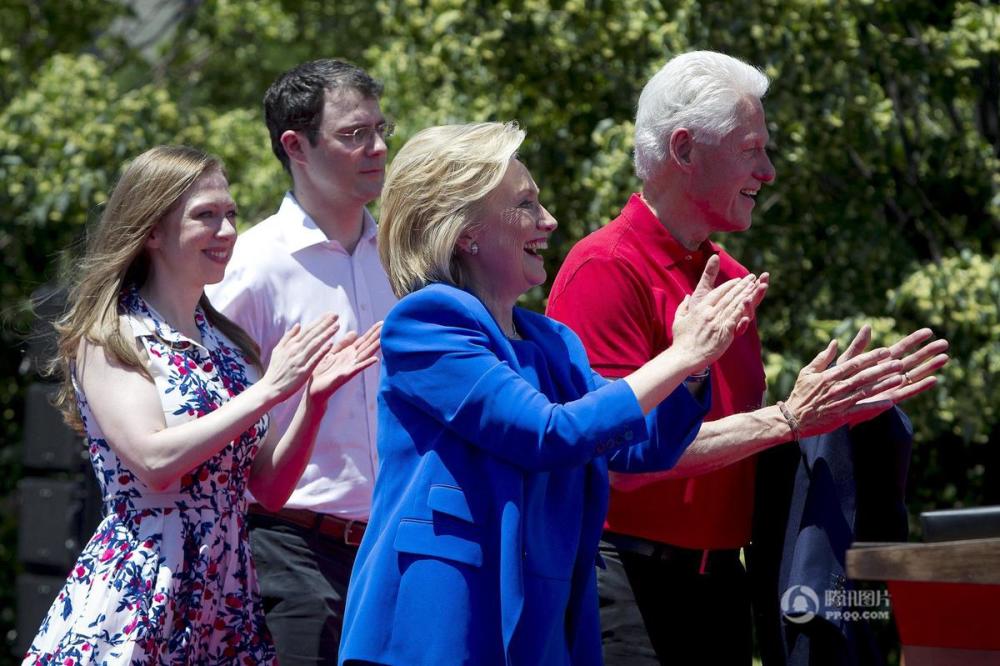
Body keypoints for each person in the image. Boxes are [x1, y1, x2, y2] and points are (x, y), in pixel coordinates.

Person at [339, 120, 818, 665]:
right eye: (525, 205)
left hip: (542, 620)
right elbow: (548, 433)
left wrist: (692, 371)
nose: (550, 220)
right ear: (465, 230)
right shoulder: (426, 323)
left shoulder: (551, 341)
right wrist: (680, 354)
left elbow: (641, 447)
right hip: (446, 617)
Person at [546, 50, 948, 665]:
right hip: (624, 583)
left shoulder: (731, 276)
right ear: (684, 149)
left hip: (723, 590)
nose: (768, 170)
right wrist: (788, 418)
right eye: (751, 147)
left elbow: (735, 444)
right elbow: (619, 457)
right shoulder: (604, 267)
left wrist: (831, 415)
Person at [23, 145, 381, 664]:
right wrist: (269, 390)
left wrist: (312, 401)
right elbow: (154, 463)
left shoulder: (228, 343)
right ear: (152, 232)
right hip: (143, 587)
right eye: (206, 216)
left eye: (231, 214)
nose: (227, 231)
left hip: (226, 596)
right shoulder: (114, 333)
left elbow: (269, 489)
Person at [205, 59, 397, 664]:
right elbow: (209, 419)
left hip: (395, 549)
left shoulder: (404, 258)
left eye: (380, 128)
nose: (379, 147)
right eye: (354, 134)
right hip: (289, 553)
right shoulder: (247, 266)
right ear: (296, 146)